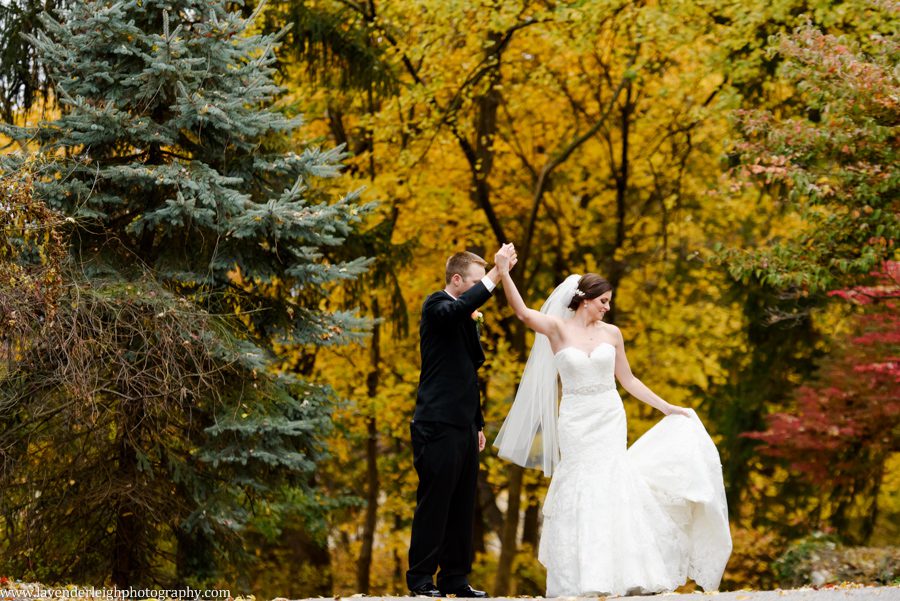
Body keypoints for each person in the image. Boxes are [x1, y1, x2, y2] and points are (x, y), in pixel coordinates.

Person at [493, 272, 732, 597]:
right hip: (576, 419)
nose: (607, 308)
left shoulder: (613, 334)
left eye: (609, 302)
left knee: (612, 483)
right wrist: (504, 272)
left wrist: (667, 408)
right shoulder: (558, 328)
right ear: (585, 299)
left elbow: (629, 380)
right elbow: (521, 312)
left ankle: (627, 571)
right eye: (603, 301)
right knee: (582, 485)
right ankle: (581, 578)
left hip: (608, 415)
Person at [407, 244, 517, 598]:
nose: (480, 286)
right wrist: (496, 275)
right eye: (475, 280)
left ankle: (455, 579)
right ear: (457, 280)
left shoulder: (463, 314)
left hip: (465, 424)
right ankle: (421, 579)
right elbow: (457, 310)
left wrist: (479, 423)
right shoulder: (435, 306)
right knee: (435, 501)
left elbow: (468, 372)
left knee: (462, 503)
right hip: (436, 423)